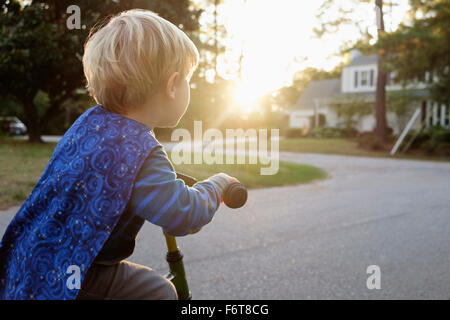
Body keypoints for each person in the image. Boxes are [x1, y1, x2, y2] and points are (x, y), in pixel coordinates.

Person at [0, 9, 238, 300]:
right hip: (78, 274)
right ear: (172, 85)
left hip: (29, 257)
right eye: (188, 78)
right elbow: (182, 214)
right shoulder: (141, 152)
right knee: (160, 292)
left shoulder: (87, 124)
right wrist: (218, 184)